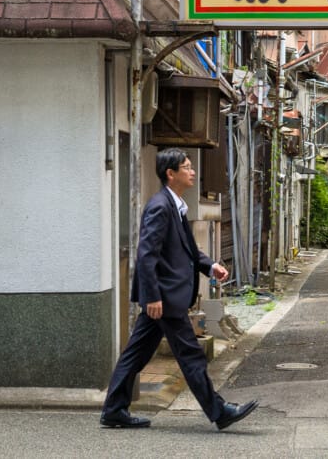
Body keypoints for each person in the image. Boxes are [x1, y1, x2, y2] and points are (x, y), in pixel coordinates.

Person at [100, 148, 258, 430]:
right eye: (186, 167)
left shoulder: (176, 206)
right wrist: (152, 296)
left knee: (136, 354)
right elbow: (146, 254)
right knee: (190, 355)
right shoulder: (160, 206)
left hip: (167, 296)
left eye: (191, 166)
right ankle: (219, 411)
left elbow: (188, 251)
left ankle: (114, 409)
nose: (192, 171)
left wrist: (211, 266)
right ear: (170, 174)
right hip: (165, 297)